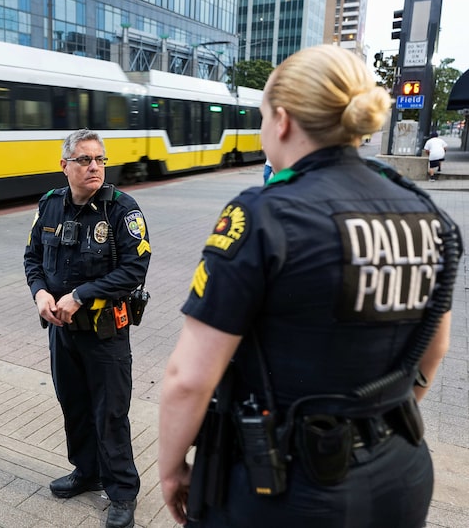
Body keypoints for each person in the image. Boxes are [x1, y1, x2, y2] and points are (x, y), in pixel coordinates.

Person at [158, 44, 461, 528]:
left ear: (282, 120)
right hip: (401, 469)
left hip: (284, 486)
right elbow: (435, 348)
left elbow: (189, 378)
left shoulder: (262, 215)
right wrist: (372, 419)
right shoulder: (428, 214)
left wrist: (171, 469)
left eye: (261, 119)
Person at [23, 128, 151, 528]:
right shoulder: (49, 206)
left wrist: (80, 295)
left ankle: (122, 492)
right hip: (61, 332)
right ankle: (86, 471)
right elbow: (31, 257)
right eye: (84, 159)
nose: (94, 166)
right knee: (74, 406)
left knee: (110, 413)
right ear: (64, 165)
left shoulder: (121, 209)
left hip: (105, 334)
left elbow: (134, 269)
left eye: (100, 159)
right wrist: (40, 293)